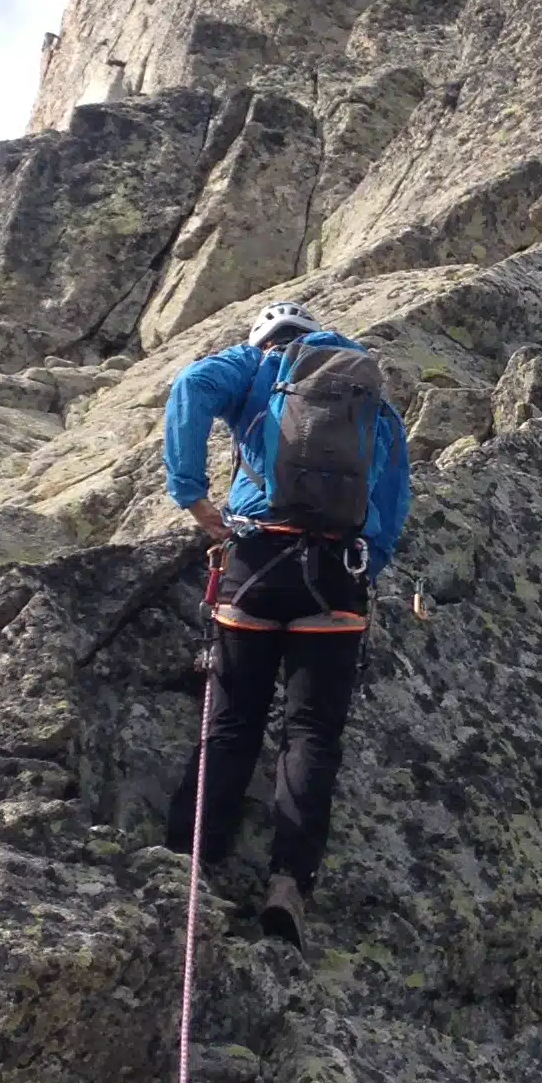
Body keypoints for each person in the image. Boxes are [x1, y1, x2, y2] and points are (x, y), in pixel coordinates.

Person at [161, 300, 412, 944]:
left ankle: (187, 864)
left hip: (258, 560)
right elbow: (390, 503)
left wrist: (191, 493)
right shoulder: (370, 400)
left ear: (266, 337)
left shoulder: (257, 366)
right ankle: (288, 883)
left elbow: (190, 385)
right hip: (336, 576)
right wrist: (364, 569)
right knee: (312, 735)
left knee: (233, 720)